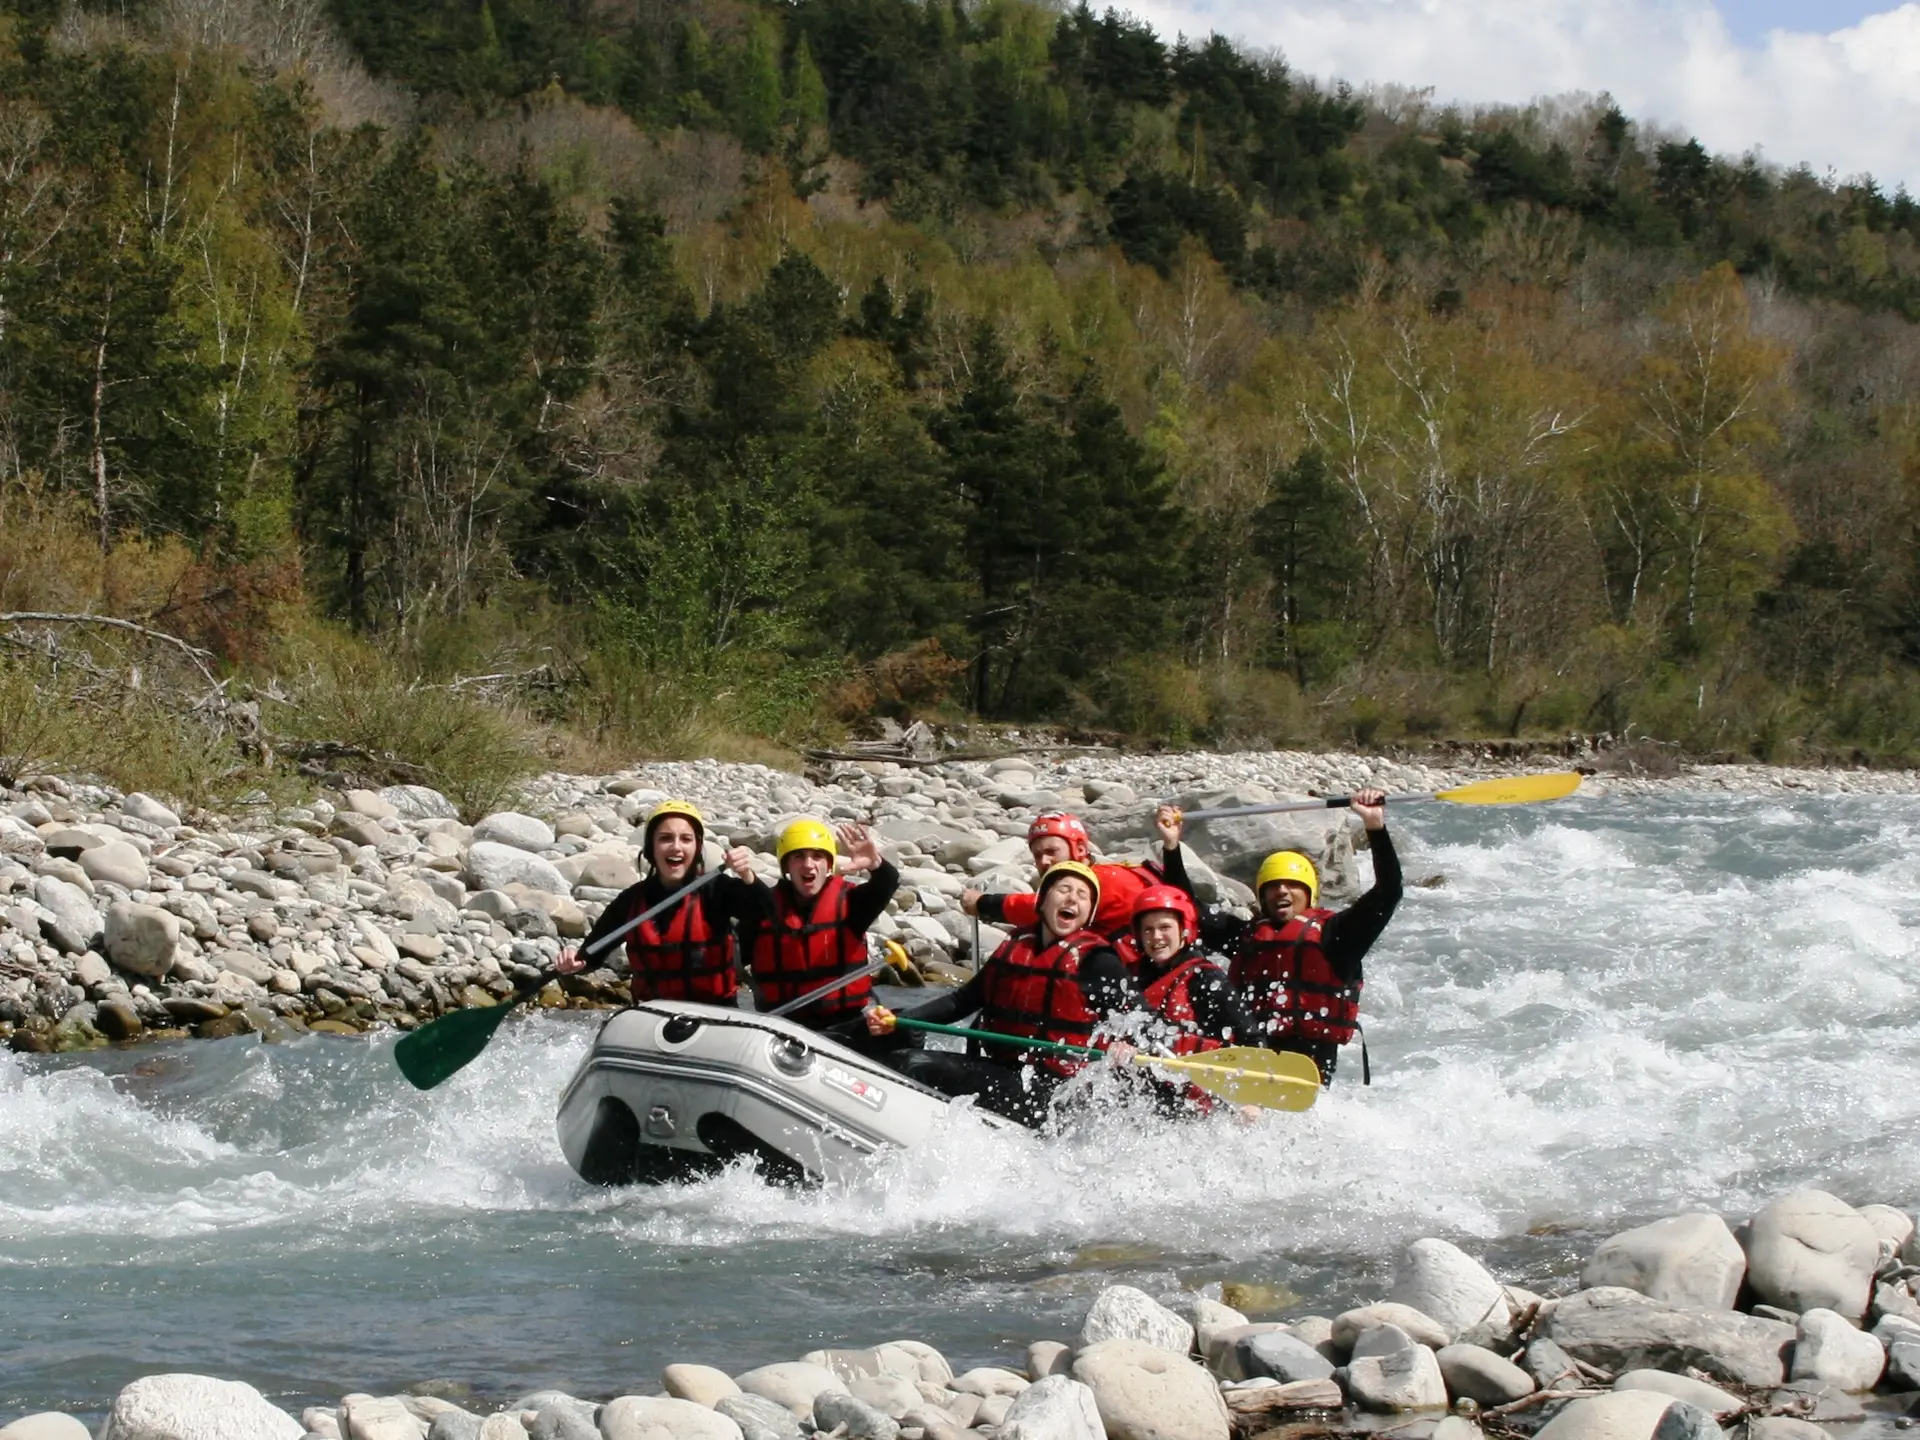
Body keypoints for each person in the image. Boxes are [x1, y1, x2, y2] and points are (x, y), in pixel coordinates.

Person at [866, 860, 1109, 1128]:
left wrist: (1126, 1044)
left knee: (911, 1064)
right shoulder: (1018, 944)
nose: (1072, 898)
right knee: (902, 1039)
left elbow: (1137, 1014)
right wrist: (898, 1020)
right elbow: (962, 1001)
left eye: (1082, 895)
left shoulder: (1097, 960)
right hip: (1005, 1071)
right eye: (1064, 889)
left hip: (1053, 1093)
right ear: (1042, 900)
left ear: (1089, 913)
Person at [1203, 788, 1401, 1085]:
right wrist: (1171, 847)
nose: (1282, 891)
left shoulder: (1338, 936)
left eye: (1291, 885)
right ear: (1261, 897)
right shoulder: (1246, 936)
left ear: (1309, 895)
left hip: (1308, 1067)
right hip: (1250, 1059)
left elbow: (1389, 892)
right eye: (1273, 886)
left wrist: (1375, 826)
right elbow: (1192, 914)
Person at [1079, 885, 1265, 1117]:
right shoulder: (1130, 978)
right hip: (1143, 1099)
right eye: (1148, 930)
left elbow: (1252, 1040)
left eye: (1165, 927)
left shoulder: (1206, 978)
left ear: (1184, 929)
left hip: (1196, 1104)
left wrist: (1252, 1100)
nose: (1156, 937)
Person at [557, 799, 767, 1003]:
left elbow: (769, 912)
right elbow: (591, 955)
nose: (676, 847)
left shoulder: (718, 890)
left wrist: (748, 876)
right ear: (651, 847)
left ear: (697, 847)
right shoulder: (630, 901)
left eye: (686, 839)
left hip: (715, 1012)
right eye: (665, 838)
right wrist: (575, 962)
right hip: (654, 1016)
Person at [742, 818, 897, 1034]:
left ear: (829, 864)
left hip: (844, 1025)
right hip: (781, 1025)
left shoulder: (853, 904)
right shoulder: (763, 908)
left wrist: (875, 864)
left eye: (817, 856)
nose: (808, 864)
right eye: (798, 856)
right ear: (786, 865)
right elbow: (738, 959)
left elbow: (886, 883)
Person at [961, 806, 1185, 943]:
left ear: (1079, 849)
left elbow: (1037, 908)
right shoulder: (1103, 873)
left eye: (1051, 852)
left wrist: (983, 904)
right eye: (1037, 855)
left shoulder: (1102, 881)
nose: (1044, 862)